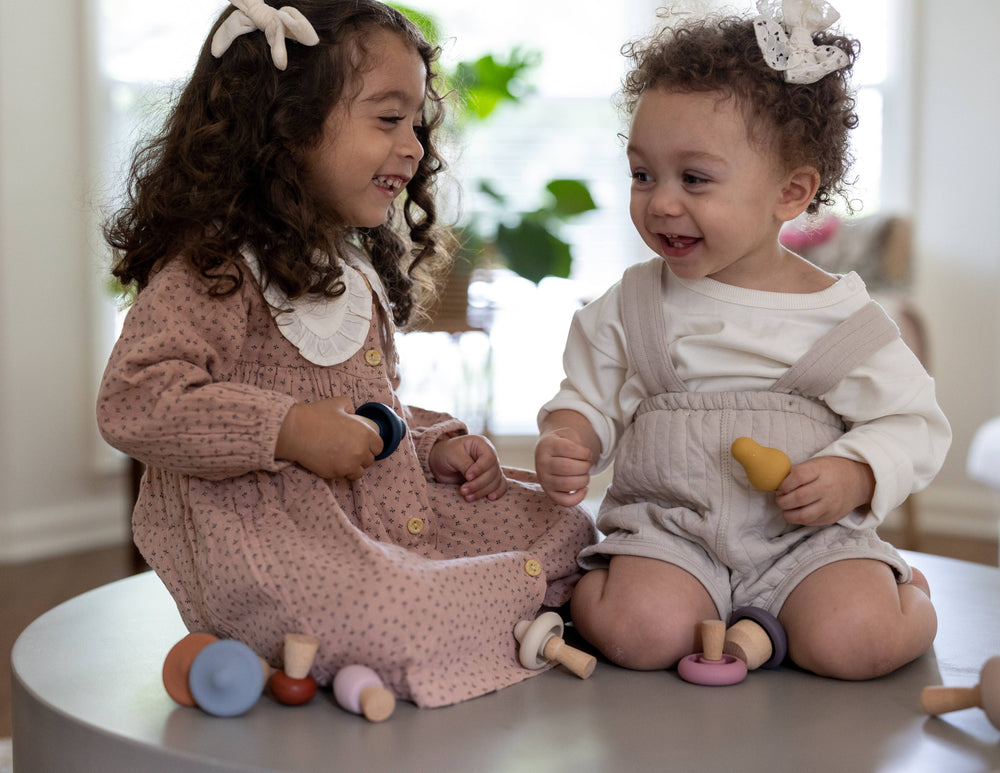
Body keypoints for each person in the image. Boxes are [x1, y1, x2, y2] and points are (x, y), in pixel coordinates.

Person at [97, 0, 596, 708]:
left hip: (382, 512)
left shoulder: (352, 265)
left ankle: (473, 609)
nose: (415, 146)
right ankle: (487, 618)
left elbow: (372, 415)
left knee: (569, 526)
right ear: (287, 127)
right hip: (278, 545)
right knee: (388, 608)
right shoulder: (214, 268)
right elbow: (134, 401)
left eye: (416, 124)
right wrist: (289, 428)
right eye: (389, 119)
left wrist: (431, 445)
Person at [535, 0, 950, 680]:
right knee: (637, 633)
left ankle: (902, 597)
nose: (661, 201)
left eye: (693, 178)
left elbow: (912, 422)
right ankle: (670, 603)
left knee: (855, 641)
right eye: (643, 174)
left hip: (808, 541)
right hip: (672, 533)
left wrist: (856, 472)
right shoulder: (634, 305)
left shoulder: (842, 320)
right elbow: (588, 392)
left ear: (790, 192)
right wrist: (572, 437)